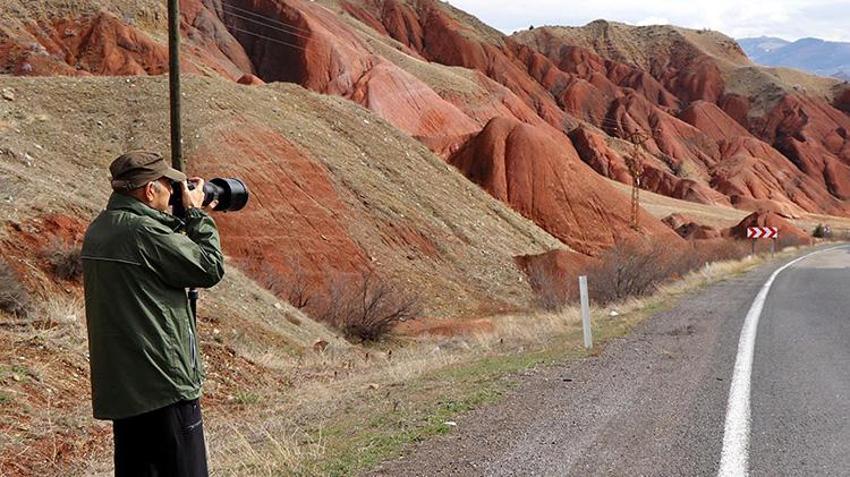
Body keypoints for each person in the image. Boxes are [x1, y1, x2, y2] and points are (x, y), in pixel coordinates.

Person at [81, 151, 225, 476]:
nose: (173, 192)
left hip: (124, 389)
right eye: (166, 185)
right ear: (149, 191)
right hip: (164, 385)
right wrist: (196, 215)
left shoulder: (99, 230)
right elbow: (210, 267)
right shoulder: (143, 233)